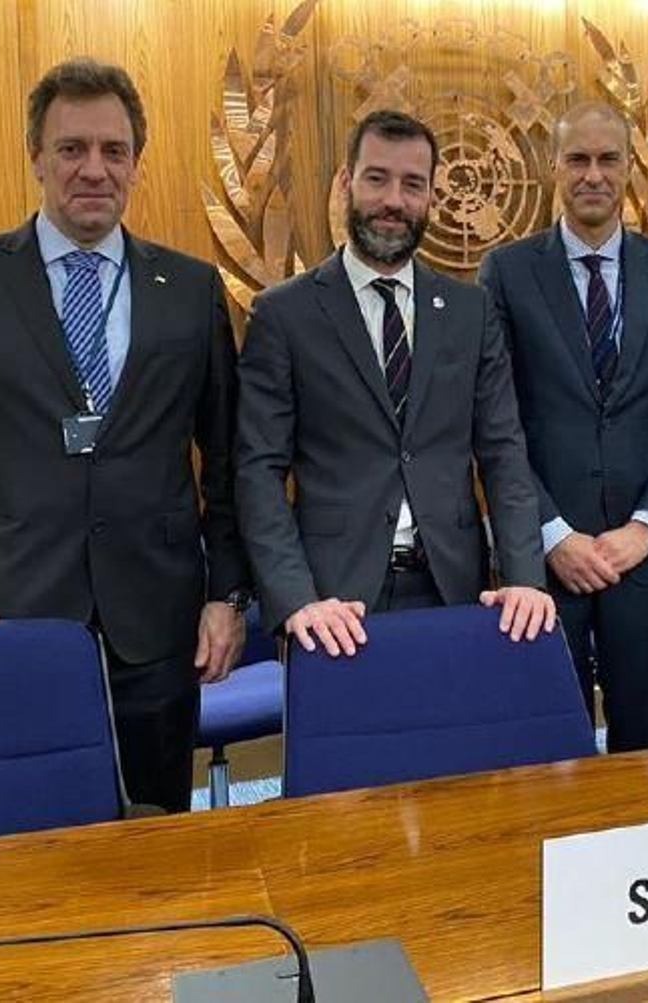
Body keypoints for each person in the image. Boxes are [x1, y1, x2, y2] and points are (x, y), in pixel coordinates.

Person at [0, 58, 251, 813]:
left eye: (113, 150)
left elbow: (228, 461)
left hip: (157, 631)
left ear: (137, 161)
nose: (93, 169)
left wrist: (227, 593)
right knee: (14, 850)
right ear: (35, 156)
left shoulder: (192, 288)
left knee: (153, 855)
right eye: (71, 148)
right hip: (9, 620)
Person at [236, 110, 555, 655]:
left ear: (432, 196)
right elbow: (258, 468)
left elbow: (503, 451)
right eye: (377, 178)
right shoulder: (283, 314)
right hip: (333, 605)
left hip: (457, 590)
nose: (394, 201)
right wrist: (294, 599)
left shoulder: (469, 311)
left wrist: (524, 577)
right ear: (345, 183)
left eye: (413, 185)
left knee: (461, 740)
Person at [477, 103, 648, 751]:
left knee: (644, 743)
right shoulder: (505, 272)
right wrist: (551, 533)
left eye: (608, 159)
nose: (593, 174)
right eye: (577, 159)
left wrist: (645, 528)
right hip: (542, 558)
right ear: (554, 167)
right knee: (549, 744)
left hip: (643, 557)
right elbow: (495, 423)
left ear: (629, 171)